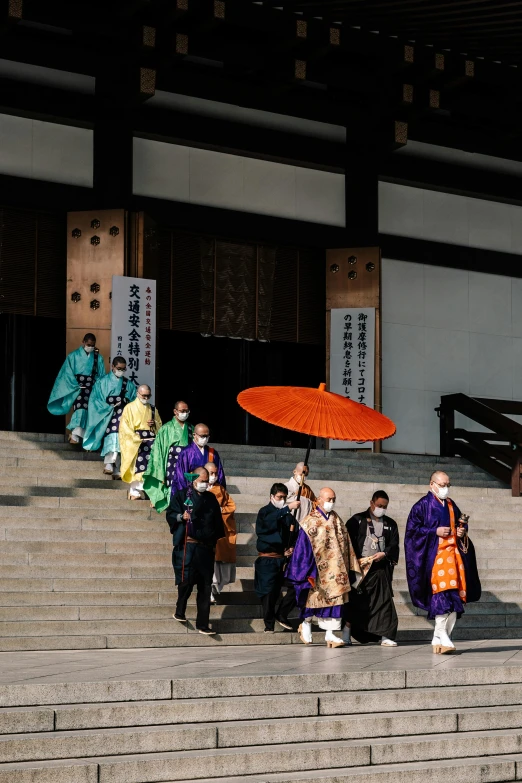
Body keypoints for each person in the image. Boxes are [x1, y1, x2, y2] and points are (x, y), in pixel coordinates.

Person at [405, 470, 481, 654]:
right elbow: (412, 533)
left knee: (455, 598)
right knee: (442, 596)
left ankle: (439, 637)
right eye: (442, 485)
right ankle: (444, 638)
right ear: (432, 485)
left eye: (448, 485)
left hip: (454, 558)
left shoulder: (451, 505)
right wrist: (434, 532)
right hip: (435, 558)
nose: (445, 489)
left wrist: (461, 531)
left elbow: (460, 526)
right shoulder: (421, 506)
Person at [286, 487, 361, 647]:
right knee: (313, 600)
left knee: (336, 602)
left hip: (337, 569)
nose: (331, 503)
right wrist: (306, 570)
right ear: (318, 500)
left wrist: (349, 565)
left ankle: (331, 634)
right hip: (317, 570)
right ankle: (305, 624)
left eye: (333, 499)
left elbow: (346, 543)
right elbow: (303, 548)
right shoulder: (310, 521)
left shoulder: (336, 519)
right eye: (328, 499)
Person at [167, 466, 225, 635]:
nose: (204, 484)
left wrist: (213, 541)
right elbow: (171, 514)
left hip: (206, 547)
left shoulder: (211, 498)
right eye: (201, 481)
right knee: (186, 580)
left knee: (206, 587)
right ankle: (180, 609)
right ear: (193, 480)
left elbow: (217, 522)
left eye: (206, 481)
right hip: (189, 545)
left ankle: (203, 623)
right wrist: (181, 517)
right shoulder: (182, 495)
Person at [344, 490, 399, 647]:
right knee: (354, 602)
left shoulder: (390, 524)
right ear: (371, 503)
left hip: (380, 569)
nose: (381, 508)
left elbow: (394, 545)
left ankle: (386, 635)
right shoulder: (357, 520)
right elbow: (347, 542)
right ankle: (346, 633)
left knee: (385, 603)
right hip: (359, 568)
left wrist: (385, 553)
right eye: (379, 505)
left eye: (385, 506)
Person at [273, 462, 316, 630]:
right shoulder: (285, 487)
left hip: (304, 536)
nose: (303, 475)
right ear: (294, 471)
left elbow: (313, 508)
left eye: (306, 472)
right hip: (288, 534)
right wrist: (295, 500)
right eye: (301, 472)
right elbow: (281, 507)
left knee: (300, 578)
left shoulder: (308, 490)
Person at [254, 484, 300, 633]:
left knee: (296, 585)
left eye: (284, 498)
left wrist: (292, 546)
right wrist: (286, 509)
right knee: (269, 592)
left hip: (283, 560)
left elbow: (295, 535)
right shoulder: (265, 512)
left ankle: (282, 613)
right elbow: (265, 527)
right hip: (267, 559)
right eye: (279, 497)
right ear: (271, 497)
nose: (282, 500)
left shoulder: (288, 517)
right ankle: (269, 624)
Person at [83, 356, 137, 477]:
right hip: (105, 414)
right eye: (118, 368)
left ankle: (117, 465)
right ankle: (110, 463)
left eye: (123, 369)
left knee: (120, 434)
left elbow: (134, 401)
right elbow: (95, 400)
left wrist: (125, 402)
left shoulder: (128, 384)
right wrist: (108, 407)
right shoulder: (102, 382)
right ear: (112, 366)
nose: (121, 371)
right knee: (113, 432)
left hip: (122, 415)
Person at [47, 333, 105, 444]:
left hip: (92, 388)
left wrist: (97, 387)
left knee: (90, 411)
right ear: (83, 342)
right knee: (80, 408)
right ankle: (76, 435)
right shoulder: (73, 356)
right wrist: (74, 385)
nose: (90, 347)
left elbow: (101, 375)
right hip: (78, 387)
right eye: (88, 345)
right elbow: (67, 373)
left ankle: (81, 437)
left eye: (93, 345)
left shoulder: (98, 357)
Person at [142, 401, 194, 513]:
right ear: (175, 411)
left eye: (187, 411)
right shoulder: (166, 428)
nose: (185, 413)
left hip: (187, 462)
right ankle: (172, 506)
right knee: (172, 484)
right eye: (182, 411)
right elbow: (159, 451)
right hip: (171, 462)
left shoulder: (191, 428)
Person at [119, 385, 162, 500]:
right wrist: (135, 438)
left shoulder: (153, 409)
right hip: (136, 440)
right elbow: (124, 426)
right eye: (144, 395)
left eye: (148, 396)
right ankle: (134, 492)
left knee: (150, 467)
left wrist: (155, 424)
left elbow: (160, 425)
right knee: (137, 467)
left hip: (151, 440)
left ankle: (149, 491)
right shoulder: (129, 407)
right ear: (138, 394)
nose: (146, 398)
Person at [206, 462, 237, 603]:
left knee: (218, 561)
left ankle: (213, 589)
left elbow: (231, 505)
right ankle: (207, 590)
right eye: (211, 473)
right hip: (205, 531)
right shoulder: (197, 488)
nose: (214, 476)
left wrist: (221, 511)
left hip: (219, 529)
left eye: (215, 473)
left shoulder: (220, 489)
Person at [172, 423, 225, 492]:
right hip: (191, 491)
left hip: (210, 492)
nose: (205, 439)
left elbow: (220, 475)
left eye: (207, 436)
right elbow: (180, 477)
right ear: (194, 435)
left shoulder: (213, 453)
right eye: (202, 436)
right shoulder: (186, 453)